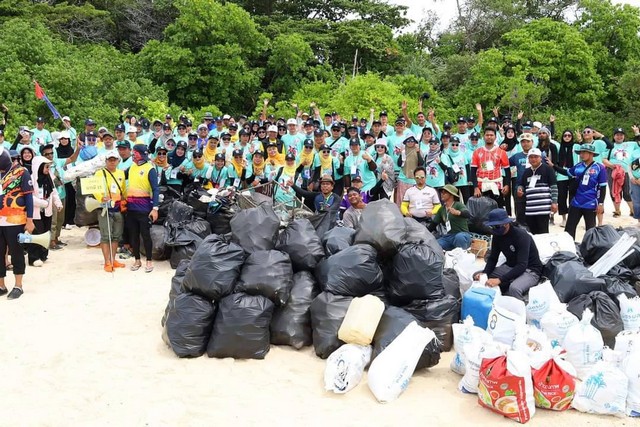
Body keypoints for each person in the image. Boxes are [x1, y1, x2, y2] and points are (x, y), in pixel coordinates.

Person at [473, 209, 543, 301]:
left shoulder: (521, 236)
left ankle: (520, 310)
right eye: (492, 227)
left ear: (506, 224)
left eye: (497, 226)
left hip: (530, 270)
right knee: (478, 276)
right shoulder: (497, 236)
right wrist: (485, 273)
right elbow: (493, 258)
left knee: (514, 288)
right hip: (511, 266)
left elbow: (522, 265)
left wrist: (500, 280)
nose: (494, 229)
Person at [552, 144, 607, 240]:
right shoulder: (578, 166)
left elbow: (602, 187)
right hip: (576, 202)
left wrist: (601, 203)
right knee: (569, 228)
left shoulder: (600, 168)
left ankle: (590, 250)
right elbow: (567, 172)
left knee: (590, 230)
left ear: (591, 154)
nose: (582, 154)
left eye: (584, 152)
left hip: (591, 203)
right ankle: (569, 249)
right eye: (581, 152)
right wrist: (553, 166)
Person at [0, 148, 35, 299]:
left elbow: (29, 197)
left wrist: (30, 220)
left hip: (15, 220)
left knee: (16, 252)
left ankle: (18, 285)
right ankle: (1, 285)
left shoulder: (21, 172)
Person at [126, 144, 160, 273]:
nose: (133, 155)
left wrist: (155, 208)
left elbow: (156, 189)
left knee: (145, 235)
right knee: (133, 235)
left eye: (135, 153)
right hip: (131, 207)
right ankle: (137, 260)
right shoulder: (132, 168)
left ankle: (149, 261)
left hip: (144, 208)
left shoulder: (150, 169)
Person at [92, 151, 126, 272]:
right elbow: (94, 189)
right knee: (106, 236)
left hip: (117, 207)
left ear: (118, 161)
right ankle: (107, 262)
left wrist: (124, 200)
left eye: (114, 160)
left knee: (116, 235)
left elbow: (123, 190)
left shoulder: (121, 173)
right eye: (110, 160)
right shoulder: (99, 173)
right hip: (104, 208)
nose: (112, 162)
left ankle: (113, 259)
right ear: (106, 161)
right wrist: (101, 197)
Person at [27, 155, 62, 266]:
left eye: (49, 167)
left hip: (47, 211)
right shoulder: (31, 179)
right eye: (46, 167)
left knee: (46, 232)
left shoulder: (49, 178)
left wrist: (58, 203)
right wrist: (43, 203)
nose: (48, 169)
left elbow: (53, 192)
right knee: (36, 234)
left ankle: (43, 254)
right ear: (39, 167)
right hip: (36, 212)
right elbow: (29, 197)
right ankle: (34, 257)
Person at [517, 148, 558, 235]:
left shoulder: (548, 169)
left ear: (540, 158)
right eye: (531, 157)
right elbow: (522, 185)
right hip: (530, 209)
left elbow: (553, 187)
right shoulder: (526, 172)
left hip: (543, 209)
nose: (533, 159)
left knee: (543, 233)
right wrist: (520, 189)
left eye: (535, 157)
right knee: (532, 233)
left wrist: (554, 202)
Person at [470, 127, 511, 208]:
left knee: (497, 210)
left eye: (491, 135)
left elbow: (507, 170)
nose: (489, 137)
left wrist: (506, 185)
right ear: (483, 137)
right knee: (482, 212)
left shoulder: (501, 152)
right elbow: (473, 171)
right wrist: (475, 187)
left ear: (495, 137)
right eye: (487, 135)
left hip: (496, 185)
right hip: (481, 186)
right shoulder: (477, 152)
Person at [603, 127, 635, 218]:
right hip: (612, 171)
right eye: (617, 135)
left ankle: (633, 210)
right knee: (614, 191)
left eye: (621, 135)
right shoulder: (610, 146)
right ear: (614, 136)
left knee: (627, 192)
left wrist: (637, 133)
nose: (619, 136)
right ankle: (617, 211)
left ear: (624, 136)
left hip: (626, 171)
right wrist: (612, 166)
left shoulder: (630, 144)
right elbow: (604, 159)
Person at [428, 184, 471, 250]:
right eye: (441, 192)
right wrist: (423, 233)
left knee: (459, 237)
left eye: (444, 192)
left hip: (463, 234)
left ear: (451, 194)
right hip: (449, 236)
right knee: (436, 245)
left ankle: (462, 255)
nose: (442, 194)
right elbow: (433, 224)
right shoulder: (441, 209)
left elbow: (468, 214)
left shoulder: (458, 205)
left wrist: (458, 212)